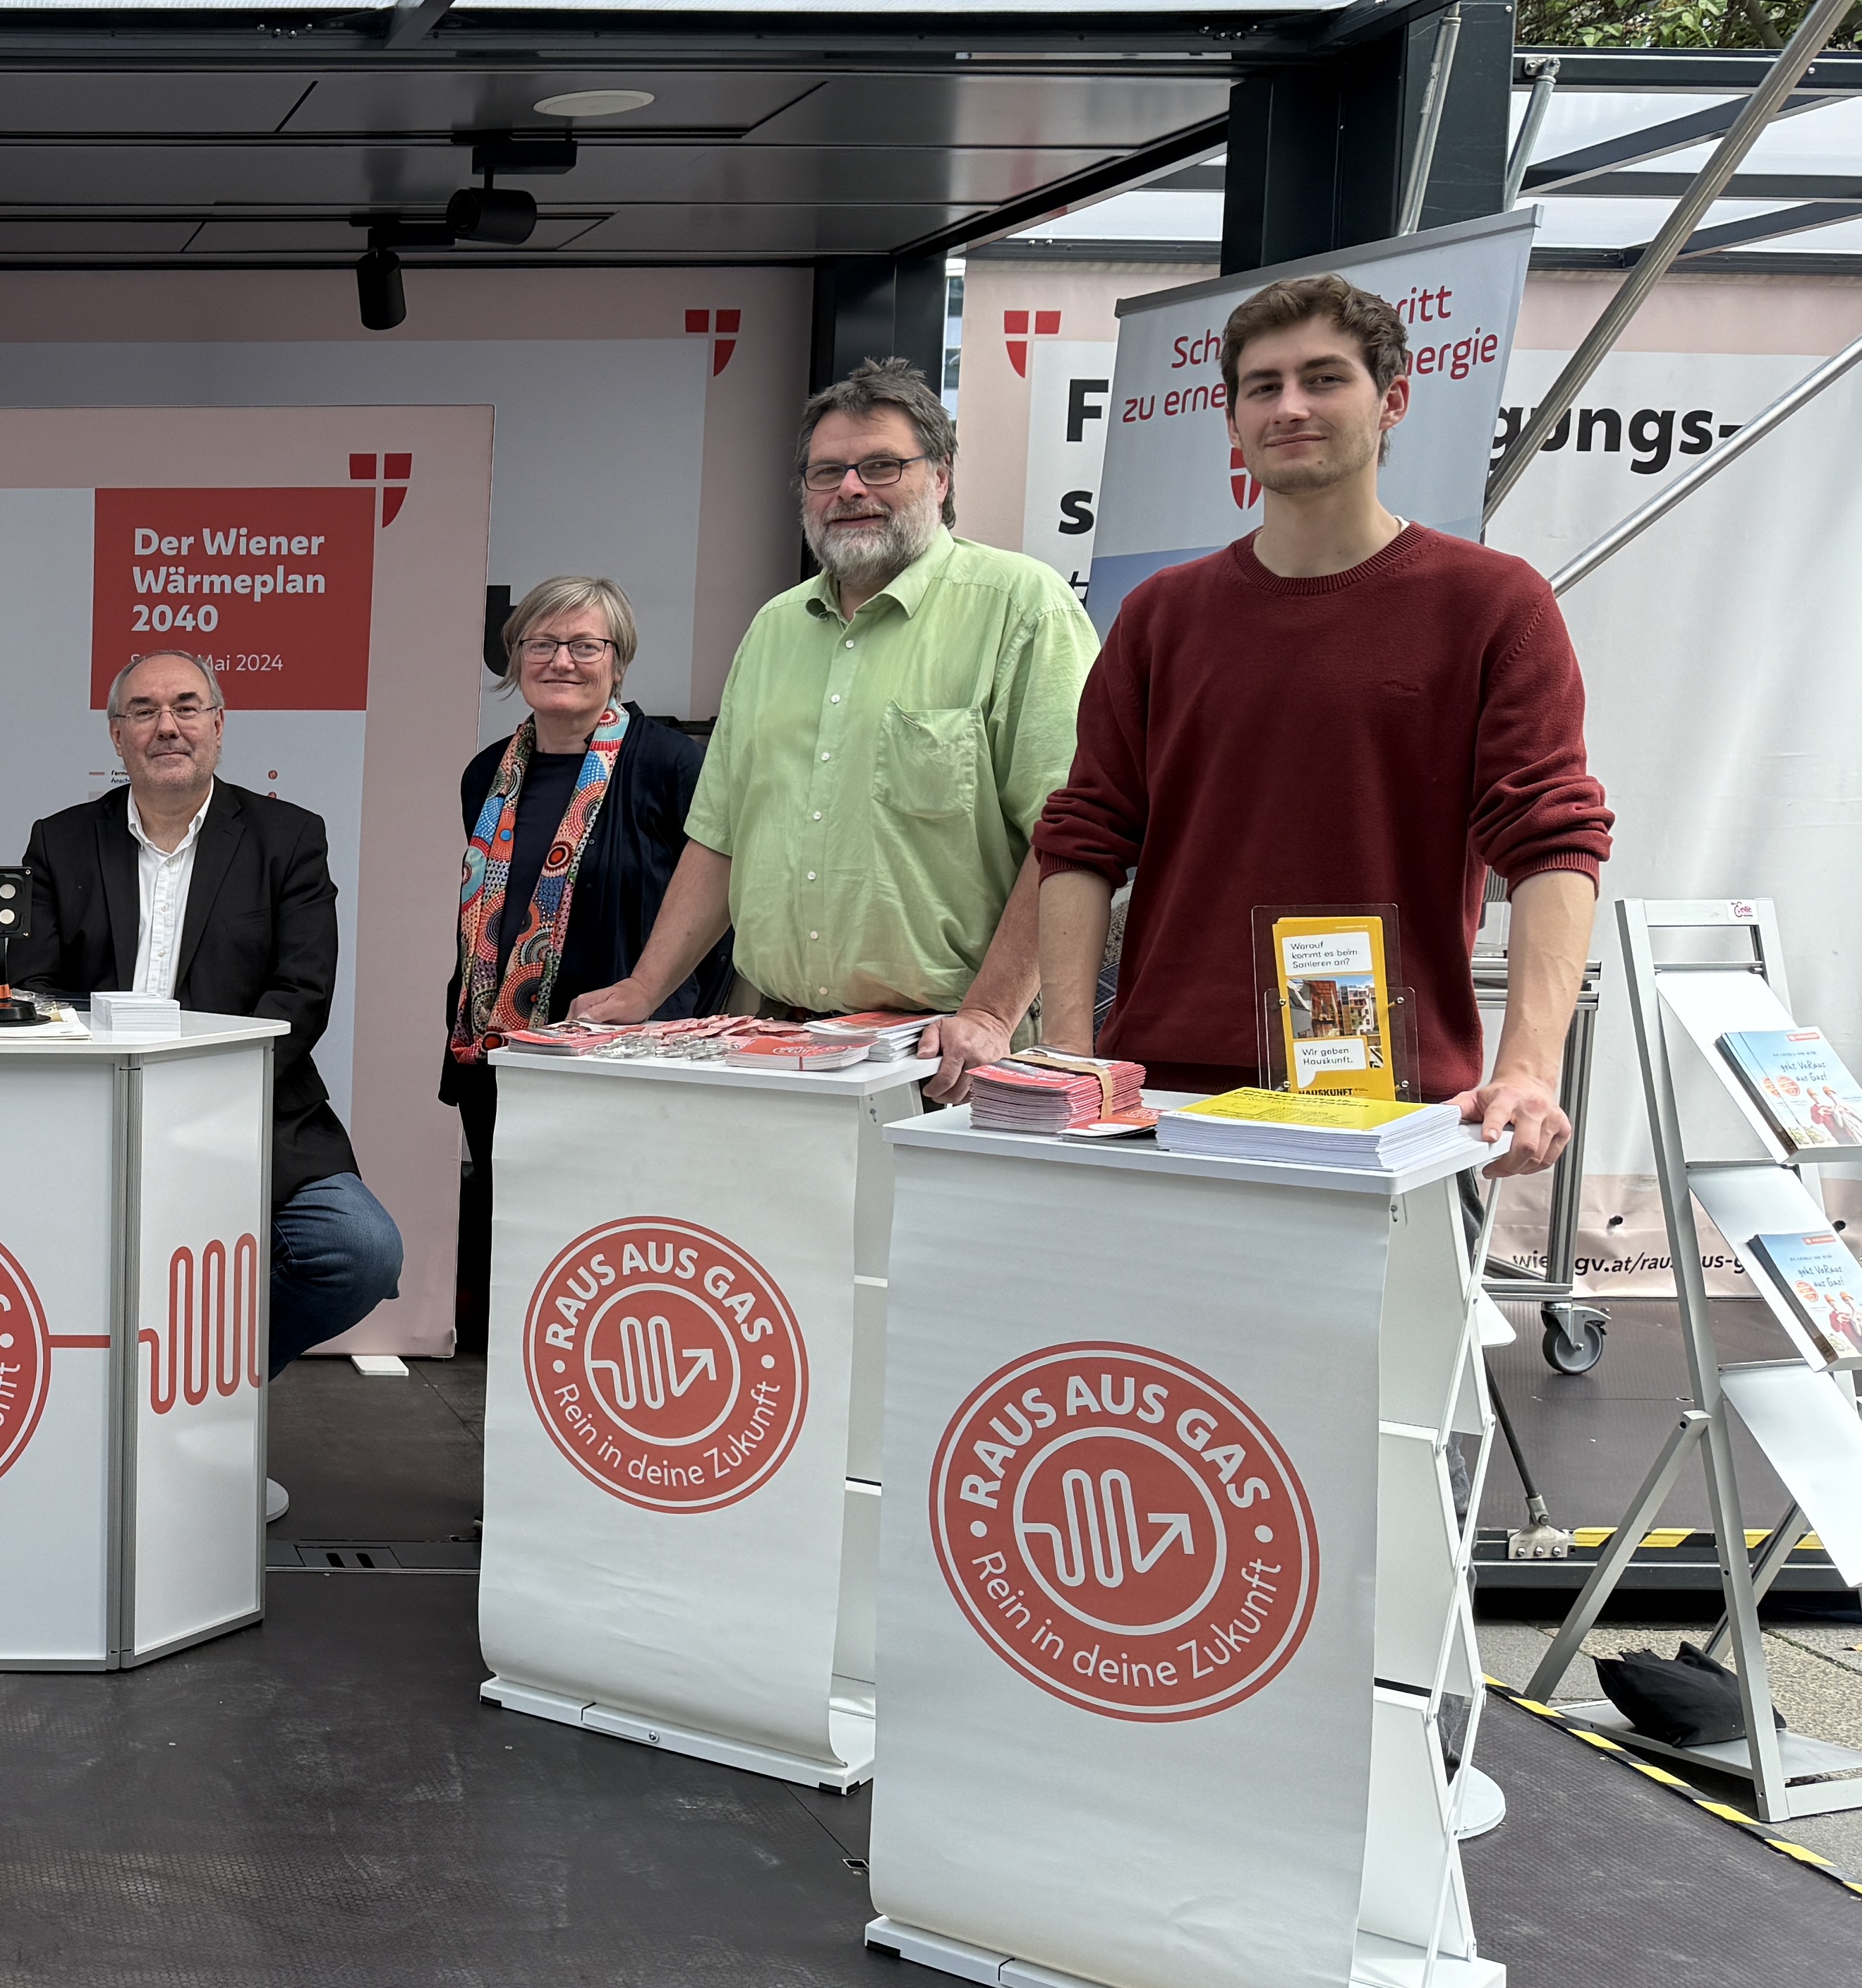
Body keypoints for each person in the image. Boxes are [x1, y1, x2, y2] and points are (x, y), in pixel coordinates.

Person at [1033, 275, 1608, 1167]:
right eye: (1263, 386)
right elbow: (1082, 836)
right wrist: (1070, 1053)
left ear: (1393, 402)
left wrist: (1528, 1067)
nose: (1290, 406)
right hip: (1163, 1097)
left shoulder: (1493, 605)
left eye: (1325, 378)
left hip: (1393, 1111)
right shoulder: (1161, 616)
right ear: (1232, 422)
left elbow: (1553, 840)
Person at [569, 361, 1096, 1097]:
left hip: (947, 1058)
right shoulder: (773, 629)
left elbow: (1068, 838)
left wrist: (990, 1012)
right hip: (774, 1044)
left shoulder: (1022, 607)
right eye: (827, 473)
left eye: (881, 466)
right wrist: (644, 987)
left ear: (941, 478)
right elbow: (721, 835)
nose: (850, 489)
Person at [13, 651, 403, 1493]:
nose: (168, 727)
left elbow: (301, 997)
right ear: (116, 735)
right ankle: (79, 1435)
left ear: (219, 727)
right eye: (144, 711)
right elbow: (33, 991)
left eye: (187, 707)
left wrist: (201, 1094)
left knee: (359, 1249)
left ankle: (191, 1402)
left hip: (250, 1111)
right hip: (95, 1117)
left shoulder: (288, 838)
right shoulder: (60, 841)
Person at [442, 577, 724, 1352]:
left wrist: (670, 1011)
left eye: (584, 645)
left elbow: (717, 916)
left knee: (621, 1253)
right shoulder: (486, 773)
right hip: (503, 1059)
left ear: (618, 661)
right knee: (523, 1247)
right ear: (515, 658)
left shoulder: (672, 766)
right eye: (541, 643)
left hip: (625, 1062)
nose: (560, 660)